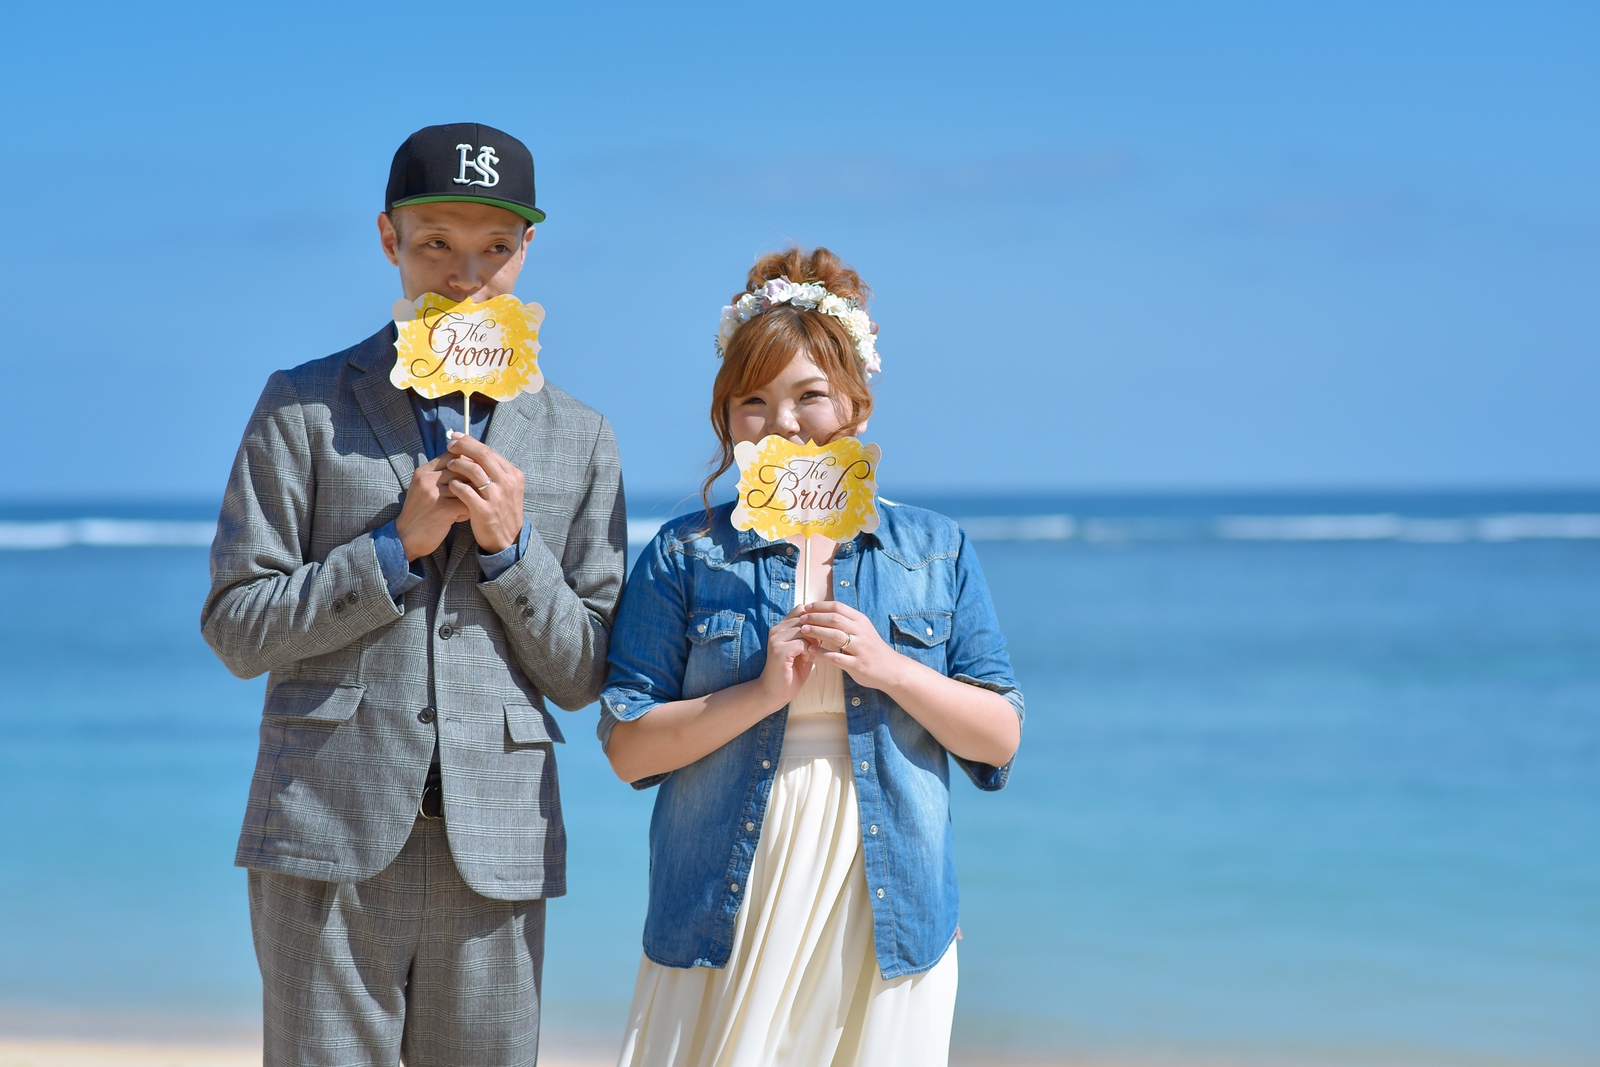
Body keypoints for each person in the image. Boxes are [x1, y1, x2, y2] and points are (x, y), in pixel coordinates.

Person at [201, 122, 627, 1067]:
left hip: (499, 838)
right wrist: (394, 547)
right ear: (389, 238)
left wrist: (514, 551)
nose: (465, 276)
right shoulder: (301, 404)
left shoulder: (582, 436)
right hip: (326, 824)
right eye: (436, 243)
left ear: (527, 251)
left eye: (494, 249)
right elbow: (235, 627)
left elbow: (586, 672)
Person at [598, 247, 1024, 1065]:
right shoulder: (685, 553)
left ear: (856, 404)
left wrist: (888, 667)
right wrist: (764, 691)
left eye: (809, 396)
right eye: (752, 401)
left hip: (890, 897)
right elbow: (628, 748)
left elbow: (999, 736)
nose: (783, 423)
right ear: (726, 417)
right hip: (728, 890)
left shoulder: (933, 547)